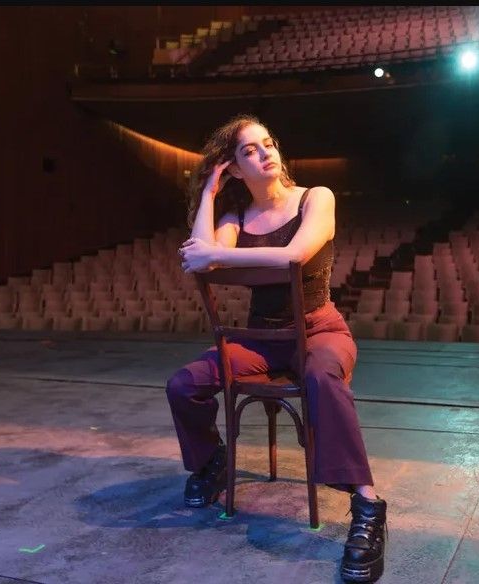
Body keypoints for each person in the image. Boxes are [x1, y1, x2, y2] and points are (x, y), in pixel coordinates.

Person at [165, 114, 386, 583]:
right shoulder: (235, 217)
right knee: (185, 384)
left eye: (268, 144)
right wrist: (207, 191)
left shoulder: (315, 199)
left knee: (323, 378)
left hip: (319, 330)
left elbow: (292, 255)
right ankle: (212, 461)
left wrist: (219, 256)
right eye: (249, 150)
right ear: (235, 169)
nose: (266, 152)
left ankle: (367, 504)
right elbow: (199, 256)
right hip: (260, 339)